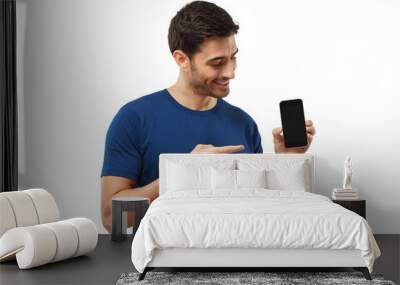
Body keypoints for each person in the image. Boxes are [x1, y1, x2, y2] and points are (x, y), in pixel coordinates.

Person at [100, 1, 316, 233]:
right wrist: (184, 172)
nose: (230, 72)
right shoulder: (133, 119)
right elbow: (112, 219)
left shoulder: (243, 123)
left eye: (233, 57)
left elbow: (263, 214)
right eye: (217, 63)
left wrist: (285, 162)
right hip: (162, 262)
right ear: (182, 59)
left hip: (239, 258)